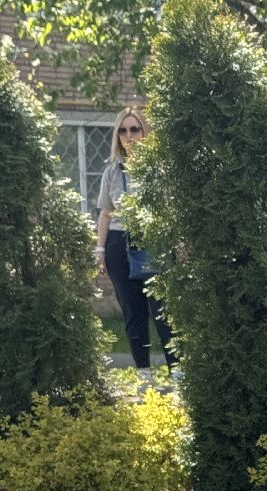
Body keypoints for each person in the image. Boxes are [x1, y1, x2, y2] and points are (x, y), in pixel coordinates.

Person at [95, 106, 175, 385]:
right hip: (119, 242)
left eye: (135, 129)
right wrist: (100, 249)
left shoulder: (159, 169)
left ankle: (178, 373)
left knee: (162, 309)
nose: (130, 135)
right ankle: (144, 376)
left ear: (144, 132)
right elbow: (105, 213)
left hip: (152, 239)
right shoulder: (111, 172)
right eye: (124, 130)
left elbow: (169, 209)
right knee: (133, 310)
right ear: (118, 135)